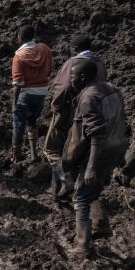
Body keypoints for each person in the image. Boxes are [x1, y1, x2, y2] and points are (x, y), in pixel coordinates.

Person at [61, 58, 128, 254]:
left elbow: (96, 134)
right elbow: (120, 119)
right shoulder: (111, 88)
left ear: (82, 77)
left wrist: (90, 166)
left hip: (100, 152)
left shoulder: (88, 97)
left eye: (72, 77)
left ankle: (82, 245)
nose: (71, 81)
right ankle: (101, 225)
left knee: (81, 196)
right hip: (116, 146)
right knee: (94, 190)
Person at [44, 33, 106, 198]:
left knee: (51, 148)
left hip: (70, 112)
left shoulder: (73, 63)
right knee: (75, 151)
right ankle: (61, 191)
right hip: (94, 113)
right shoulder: (100, 64)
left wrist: (56, 109)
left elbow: (61, 88)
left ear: (75, 49)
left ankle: (64, 180)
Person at [10, 24, 52, 170]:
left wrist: (14, 104)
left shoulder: (19, 57)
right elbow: (49, 70)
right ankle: (34, 154)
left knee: (18, 123)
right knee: (32, 121)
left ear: (20, 38)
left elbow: (18, 84)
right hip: (41, 92)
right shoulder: (45, 49)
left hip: (25, 94)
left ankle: (16, 155)